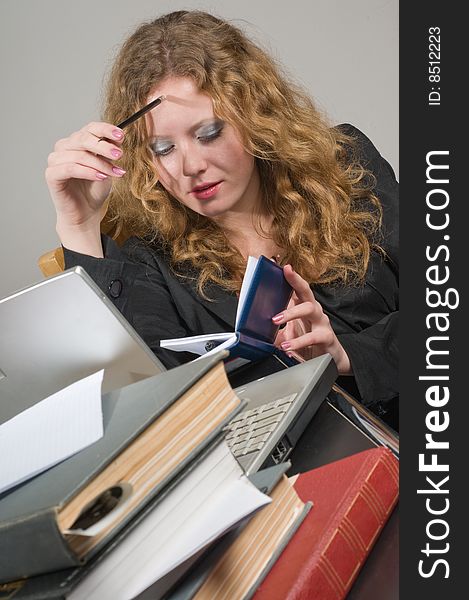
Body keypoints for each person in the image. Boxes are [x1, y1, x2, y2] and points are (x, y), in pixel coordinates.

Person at [45, 10, 398, 426]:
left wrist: (347, 356)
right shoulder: (149, 255)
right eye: (163, 149)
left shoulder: (345, 165)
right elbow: (136, 403)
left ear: (255, 115)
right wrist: (79, 227)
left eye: (208, 133)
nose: (190, 165)